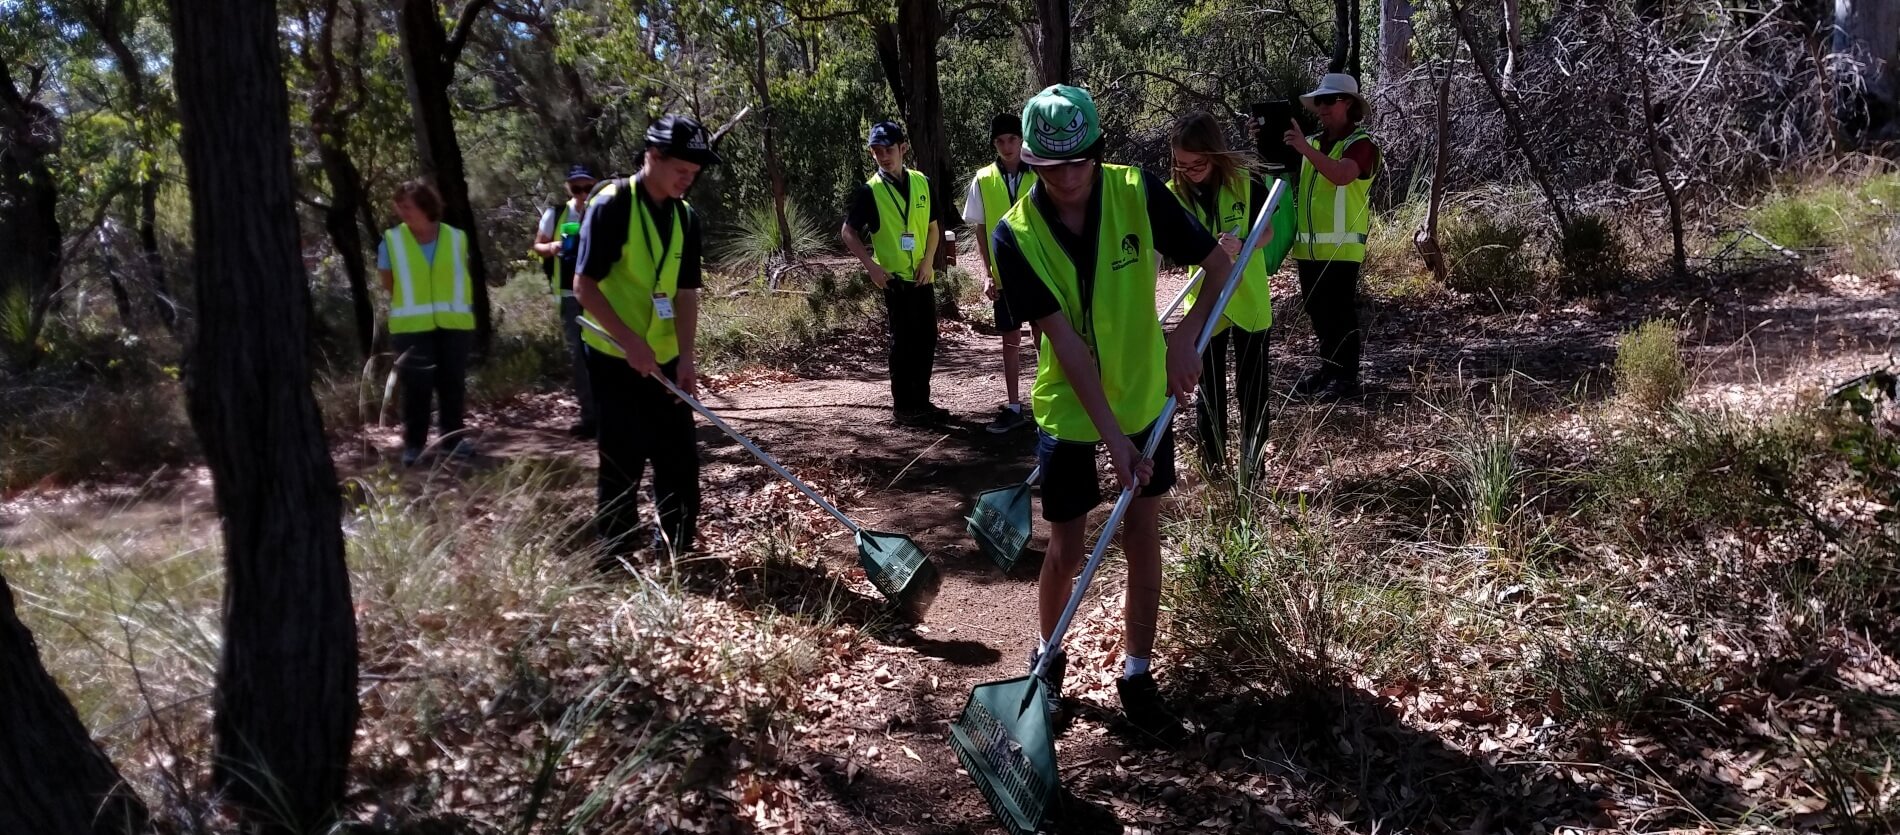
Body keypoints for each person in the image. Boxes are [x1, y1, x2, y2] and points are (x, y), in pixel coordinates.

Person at [993, 85, 1243, 739]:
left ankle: (1136, 673)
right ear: (1033, 165)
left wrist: (1185, 338)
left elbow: (1220, 266)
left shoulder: (1135, 190)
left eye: (1080, 161)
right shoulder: (1013, 235)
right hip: (1071, 408)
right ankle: (1047, 664)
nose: (1069, 178)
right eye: (1052, 167)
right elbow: (1068, 346)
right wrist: (1113, 442)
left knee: (1141, 531)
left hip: (1143, 395)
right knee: (1067, 544)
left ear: (1096, 152)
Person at [574, 115, 718, 561]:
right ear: (652, 157)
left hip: (667, 358)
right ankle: (615, 550)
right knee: (623, 456)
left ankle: (677, 547)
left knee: (678, 458)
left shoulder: (685, 217)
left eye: (693, 175)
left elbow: (685, 291)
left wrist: (687, 356)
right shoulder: (612, 205)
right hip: (614, 356)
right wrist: (629, 341)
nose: (686, 181)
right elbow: (585, 285)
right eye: (680, 170)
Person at [1167, 111, 1293, 477]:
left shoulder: (1244, 180)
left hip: (1248, 298)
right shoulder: (1174, 193)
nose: (1189, 172)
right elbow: (1171, 248)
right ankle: (1214, 464)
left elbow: (1266, 233)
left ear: (1215, 154)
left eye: (1197, 163)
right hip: (1205, 303)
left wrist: (1243, 244)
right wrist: (1203, 248)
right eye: (1181, 165)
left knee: (1252, 388)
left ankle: (1253, 468)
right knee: (1208, 390)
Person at [1283, 73, 1380, 401]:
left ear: (1348, 103)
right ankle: (1329, 370)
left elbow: (1342, 174)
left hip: (1341, 247)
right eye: (1318, 102)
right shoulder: (1310, 143)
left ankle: (1346, 377)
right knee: (1317, 309)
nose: (1321, 108)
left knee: (1339, 310)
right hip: (1309, 249)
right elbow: (1274, 166)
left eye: (1329, 100)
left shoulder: (1361, 144)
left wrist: (1304, 150)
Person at [841, 120, 945, 427]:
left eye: (889, 149)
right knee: (903, 343)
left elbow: (934, 227)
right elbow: (848, 232)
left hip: (922, 277)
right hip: (895, 281)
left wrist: (928, 262)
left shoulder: (922, 182)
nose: (884, 156)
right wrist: (871, 266)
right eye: (877, 152)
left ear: (903, 148)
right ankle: (904, 408)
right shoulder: (869, 192)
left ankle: (922, 403)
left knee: (927, 338)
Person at [378, 180, 475, 467]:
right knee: (417, 386)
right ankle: (414, 445)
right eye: (399, 207)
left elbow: (462, 275)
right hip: (411, 326)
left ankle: (453, 440)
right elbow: (389, 283)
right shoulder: (392, 241)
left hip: (454, 324)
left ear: (425, 206)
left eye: (407, 207)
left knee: (452, 384)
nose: (402, 212)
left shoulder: (457, 238)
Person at [962, 113, 1039, 434]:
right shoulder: (983, 178)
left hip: (1037, 270)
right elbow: (980, 229)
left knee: (1043, 335)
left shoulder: (1039, 173)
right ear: (994, 144)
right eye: (1000, 141)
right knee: (1009, 339)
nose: (1007, 146)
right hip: (1004, 274)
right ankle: (1013, 406)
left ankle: (1048, 402)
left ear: (1021, 140)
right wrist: (987, 273)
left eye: (1012, 139)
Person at [532, 164, 601, 439]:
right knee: (580, 358)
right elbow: (538, 245)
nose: (583, 193)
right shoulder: (557, 214)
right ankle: (590, 418)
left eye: (587, 187)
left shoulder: (605, 209)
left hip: (603, 294)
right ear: (568, 188)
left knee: (607, 354)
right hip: (570, 295)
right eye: (576, 188)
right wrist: (552, 247)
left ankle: (615, 415)